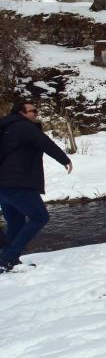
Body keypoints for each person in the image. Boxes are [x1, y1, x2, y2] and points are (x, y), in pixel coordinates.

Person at [0, 100, 72, 273]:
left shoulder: (4, 128)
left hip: (3, 186)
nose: (36, 113)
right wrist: (65, 159)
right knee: (40, 217)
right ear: (21, 113)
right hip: (19, 183)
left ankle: (8, 260)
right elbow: (44, 142)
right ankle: (8, 256)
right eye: (33, 111)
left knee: (16, 223)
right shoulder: (24, 127)